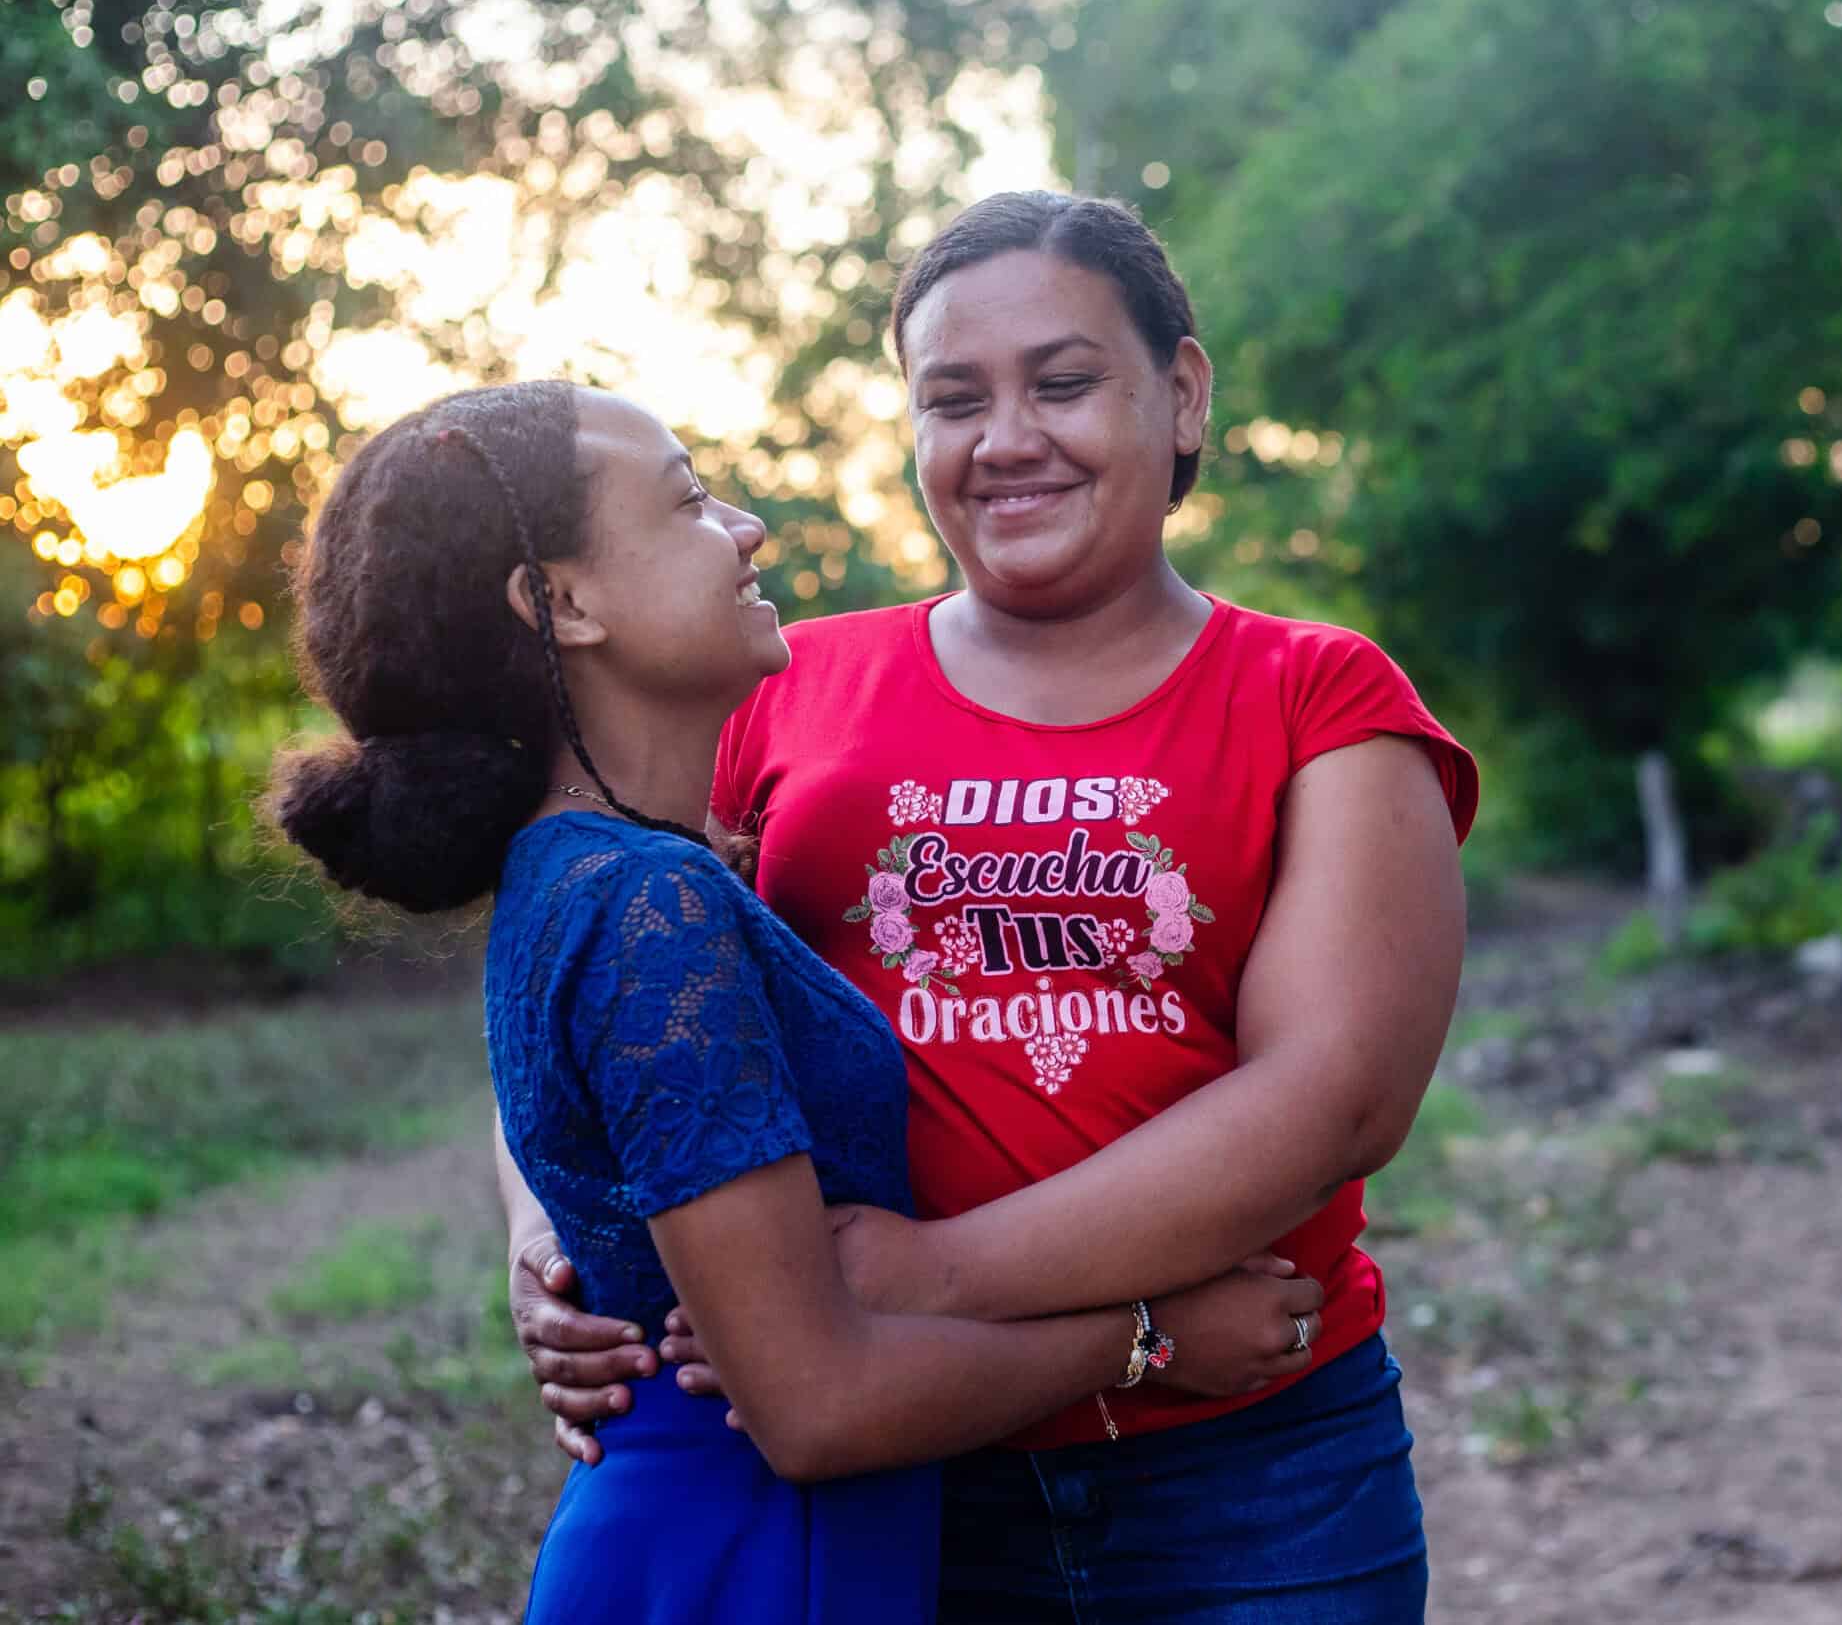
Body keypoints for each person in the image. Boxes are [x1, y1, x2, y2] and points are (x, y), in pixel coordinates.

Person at [504, 192, 1479, 1621]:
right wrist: (550, 1234)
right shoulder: (774, 688)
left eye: (1065, 382)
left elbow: (1333, 1100)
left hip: (1255, 1480)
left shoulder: (1318, 698)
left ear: (1184, 392)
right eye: (954, 399)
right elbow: (571, 959)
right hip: (889, 1482)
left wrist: (928, 1272)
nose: (1007, 438)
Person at [267, 377, 1327, 1623]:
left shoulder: (593, 870)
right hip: (757, 1547)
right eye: (686, 502)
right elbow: (814, 1408)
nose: (746, 525)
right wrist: (1149, 1341)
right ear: (561, 603)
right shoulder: (644, 904)